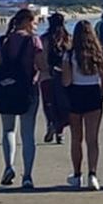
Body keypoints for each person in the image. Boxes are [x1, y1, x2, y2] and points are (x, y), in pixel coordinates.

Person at [0, 9, 44, 188]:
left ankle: (9, 166)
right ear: (27, 21)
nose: (36, 25)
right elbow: (42, 65)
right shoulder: (33, 40)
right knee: (28, 134)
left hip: (5, 89)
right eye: (35, 22)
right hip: (28, 90)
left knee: (8, 130)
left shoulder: (3, 41)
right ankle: (27, 176)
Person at [64, 20, 103, 190]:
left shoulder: (70, 55)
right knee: (92, 139)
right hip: (93, 94)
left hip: (75, 94)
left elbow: (66, 81)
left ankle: (77, 175)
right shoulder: (99, 54)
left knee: (76, 138)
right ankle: (92, 174)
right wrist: (101, 95)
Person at [39, 11, 71, 144]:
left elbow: (41, 59)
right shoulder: (68, 38)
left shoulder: (44, 39)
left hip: (46, 77)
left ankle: (50, 125)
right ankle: (60, 133)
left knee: (48, 105)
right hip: (64, 77)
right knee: (63, 105)